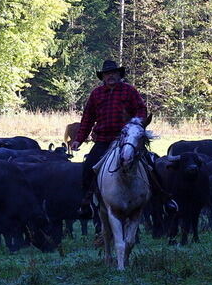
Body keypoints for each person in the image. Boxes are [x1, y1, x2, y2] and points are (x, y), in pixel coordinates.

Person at [69, 60, 177, 215]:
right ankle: (87, 203)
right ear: (103, 77)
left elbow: (141, 109)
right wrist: (78, 139)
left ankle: (165, 199)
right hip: (103, 139)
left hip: (127, 139)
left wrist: (135, 124)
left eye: (113, 73)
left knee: (149, 164)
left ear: (119, 75)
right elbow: (87, 118)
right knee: (89, 167)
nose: (110, 76)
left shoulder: (129, 91)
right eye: (107, 74)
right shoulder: (96, 94)